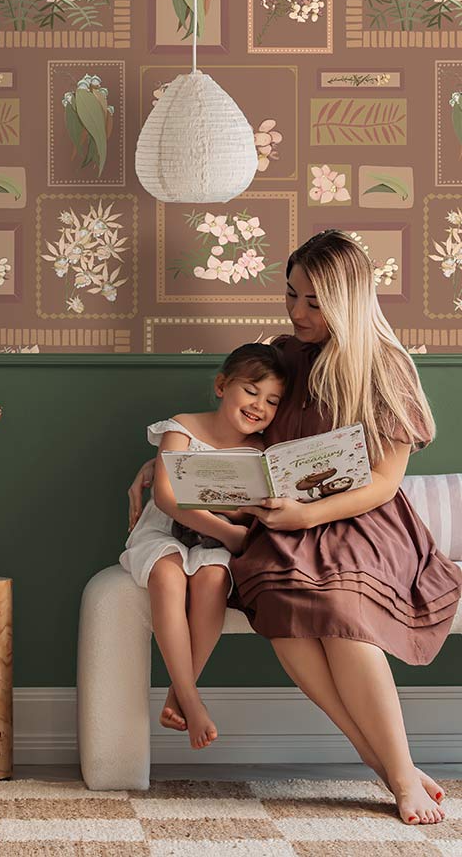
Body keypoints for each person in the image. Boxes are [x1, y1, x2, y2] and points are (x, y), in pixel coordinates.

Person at [127, 229, 462, 826]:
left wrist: (307, 514)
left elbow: (384, 482)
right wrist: (159, 463)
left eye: (314, 301)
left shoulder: (385, 367)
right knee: (282, 612)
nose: (298, 312)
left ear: (349, 299)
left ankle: (399, 766)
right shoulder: (286, 351)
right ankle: (383, 763)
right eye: (292, 295)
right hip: (279, 524)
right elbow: (234, 427)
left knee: (341, 616)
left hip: (359, 520)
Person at [121, 344, 286, 749]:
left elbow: (252, 510)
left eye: (272, 401)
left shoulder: (261, 451)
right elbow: (166, 497)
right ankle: (191, 699)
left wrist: (235, 526)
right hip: (165, 531)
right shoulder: (182, 428)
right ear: (221, 385)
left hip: (217, 541)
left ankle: (179, 692)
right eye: (251, 391)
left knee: (213, 579)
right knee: (167, 573)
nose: (259, 406)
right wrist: (230, 533)